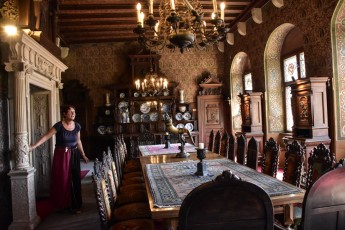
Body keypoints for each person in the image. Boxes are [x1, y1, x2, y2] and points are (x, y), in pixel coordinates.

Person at [29, 105, 89, 213]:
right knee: (63, 180)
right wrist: (33, 146)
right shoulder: (59, 126)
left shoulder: (77, 126)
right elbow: (46, 136)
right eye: (70, 112)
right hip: (62, 155)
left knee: (75, 179)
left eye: (74, 112)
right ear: (64, 114)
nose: (73, 114)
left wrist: (83, 155)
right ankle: (64, 204)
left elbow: (78, 141)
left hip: (74, 154)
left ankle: (76, 205)